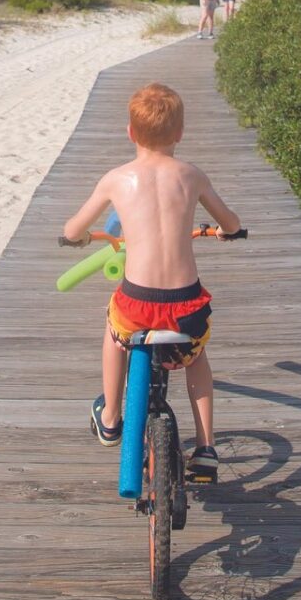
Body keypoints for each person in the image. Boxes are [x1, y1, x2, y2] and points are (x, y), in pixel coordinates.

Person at [60, 81, 241, 484]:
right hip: (186, 307)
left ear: (130, 132)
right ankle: (207, 447)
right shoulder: (192, 176)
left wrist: (80, 238)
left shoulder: (116, 179)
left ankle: (110, 418)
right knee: (197, 359)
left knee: (112, 328)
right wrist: (227, 231)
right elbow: (230, 221)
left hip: (137, 304)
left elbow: (73, 228)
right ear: (179, 133)